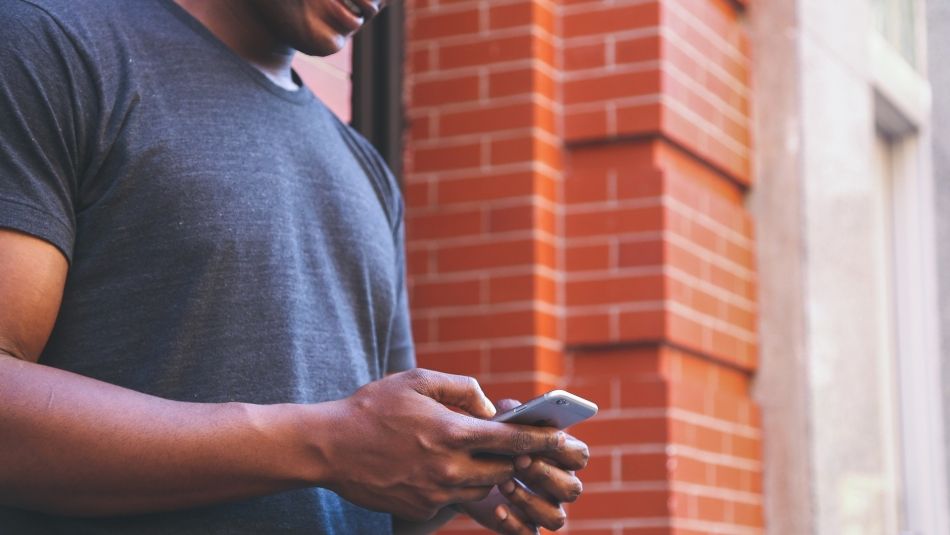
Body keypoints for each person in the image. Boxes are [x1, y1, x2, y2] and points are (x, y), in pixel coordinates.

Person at [0, 0, 590, 533]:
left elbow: (369, 470)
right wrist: (326, 444)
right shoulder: (49, 45)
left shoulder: (365, 169)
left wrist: (456, 470)